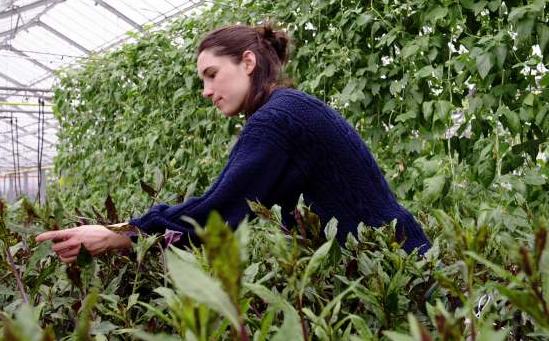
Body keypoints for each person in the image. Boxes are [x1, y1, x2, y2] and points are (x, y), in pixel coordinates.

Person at [36, 24, 431, 262]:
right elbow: (235, 204)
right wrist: (125, 229)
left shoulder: (276, 119)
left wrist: (122, 235)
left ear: (247, 62)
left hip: (398, 271)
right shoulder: (289, 109)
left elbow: (218, 213)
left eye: (212, 74)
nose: (207, 91)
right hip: (401, 257)